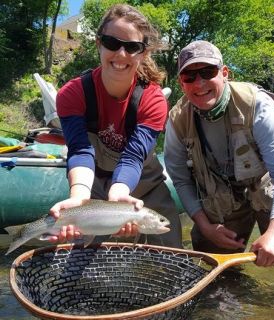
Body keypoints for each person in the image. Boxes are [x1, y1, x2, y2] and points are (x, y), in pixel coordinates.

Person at [164, 40, 274, 270]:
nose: (199, 83)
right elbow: (180, 179)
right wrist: (206, 227)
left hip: (272, 180)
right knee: (213, 262)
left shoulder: (257, 104)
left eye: (208, 72)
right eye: (190, 76)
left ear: (225, 73)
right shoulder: (177, 120)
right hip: (224, 189)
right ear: (181, 83)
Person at [50, 4, 182, 248]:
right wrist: (80, 197)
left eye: (132, 47)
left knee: (171, 257)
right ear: (99, 43)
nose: (121, 54)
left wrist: (119, 197)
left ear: (143, 53)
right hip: (93, 187)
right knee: (83, 263)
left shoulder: (153, 100)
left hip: (146, 186)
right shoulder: (72, 94)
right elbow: (80, 150)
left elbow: (133, 158)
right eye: (112, 43)